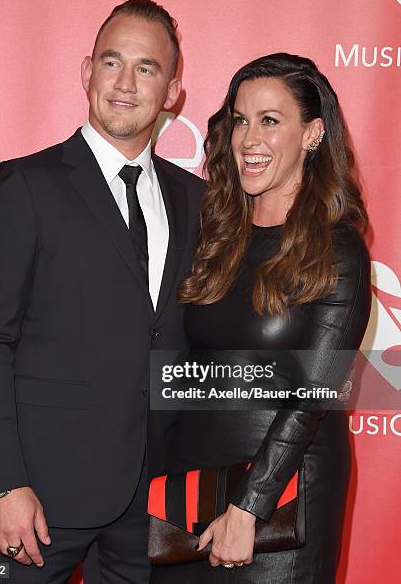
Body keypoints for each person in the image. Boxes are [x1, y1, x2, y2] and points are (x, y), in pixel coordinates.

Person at [0, 0, 204, 583]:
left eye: (147, 68)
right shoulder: (26, 184)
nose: (125, 83)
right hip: (38, 499)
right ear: (86, 70)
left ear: (172, 91)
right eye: (112, 62)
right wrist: (3, 483)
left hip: (152, 500)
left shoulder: (196, 201)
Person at [150, 53, 371, 583]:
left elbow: (311, 396)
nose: (249, 138)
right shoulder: (216, 233)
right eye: (241, 120)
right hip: (189, 486)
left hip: (283, 496)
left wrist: (250, 506)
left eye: (270, 121)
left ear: (313, 134)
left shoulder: (337, 249)